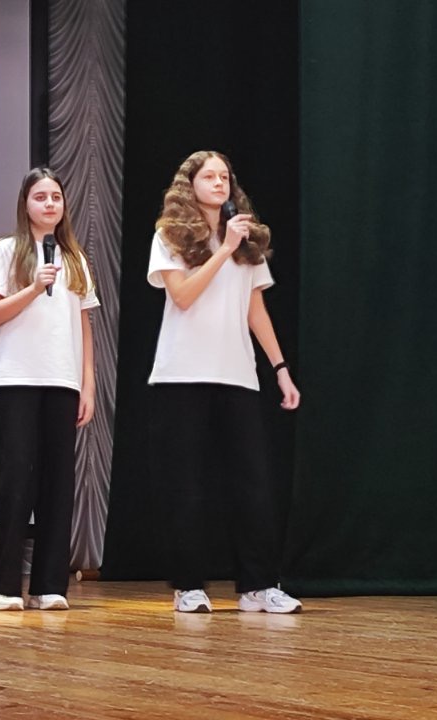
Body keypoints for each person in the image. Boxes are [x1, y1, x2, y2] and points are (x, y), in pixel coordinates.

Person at [146, 150, 302, 614]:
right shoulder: (170, 235)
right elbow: (183, 295)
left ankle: (258, 585)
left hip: (237, 373)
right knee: (187, 484)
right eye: (209, 176)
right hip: (182, 373)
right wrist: (223, 249)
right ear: (190, 184)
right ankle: (188, 586)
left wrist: (280, 368)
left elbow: (256, 309)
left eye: (225, 177)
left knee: (252, 483)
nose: (219, 183)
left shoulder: (245, 240)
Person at [0, 168, 99, 612]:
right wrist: (33, 287)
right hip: (17, 379)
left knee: (57, 486)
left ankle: (50, 585)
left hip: (62, 380)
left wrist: (88, 383)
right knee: (14, 482)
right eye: (40, 197)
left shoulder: (75, 258)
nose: (49, 204)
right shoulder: (7, 250)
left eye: (56, 197)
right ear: (25, 204)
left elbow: (84, 325)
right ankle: (6, 586)